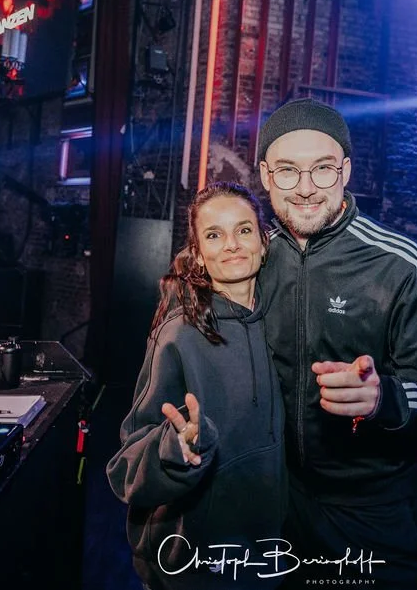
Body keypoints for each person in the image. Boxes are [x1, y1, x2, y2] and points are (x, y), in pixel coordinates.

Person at [256, 98, 417, 588]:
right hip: (273, 511)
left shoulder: (400, 264)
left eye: (324, 169)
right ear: (267, 177)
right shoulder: (252, 260)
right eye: (289, 171)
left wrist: (385, 398)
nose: (308, 188)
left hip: (371, 520)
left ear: (347, 171)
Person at [107, 182, 287, 590]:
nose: (231, 245)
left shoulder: (284, 325)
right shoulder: (180, 335)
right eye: (213, 234)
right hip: (192, 568)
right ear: (200, 256)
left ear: (263, 241)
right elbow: (124, 468)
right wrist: (176, 448)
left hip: (270, 560)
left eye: (243, 230)